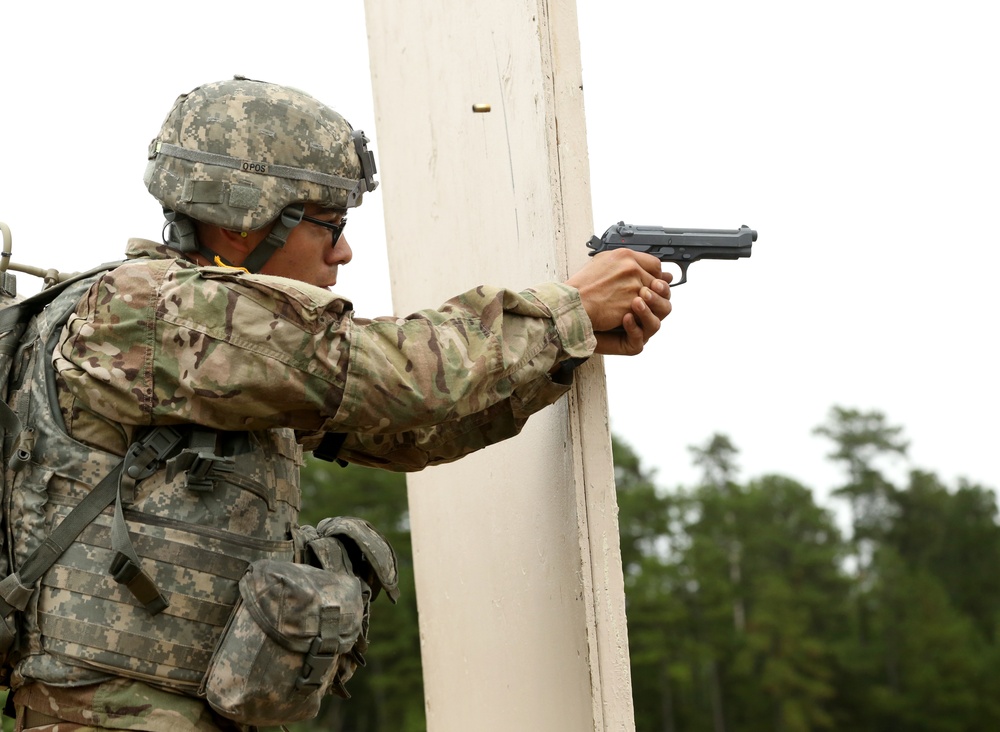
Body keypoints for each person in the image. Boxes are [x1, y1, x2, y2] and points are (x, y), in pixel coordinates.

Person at [5, 76, 671, 731]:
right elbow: (394, 373)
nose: (344, 251)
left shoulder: (207, 348)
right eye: (330, 224)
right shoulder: (153, 315)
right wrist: (568, 308)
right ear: (244, 221)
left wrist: (567, 347)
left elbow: (408, 431)